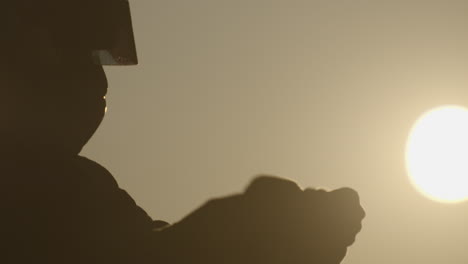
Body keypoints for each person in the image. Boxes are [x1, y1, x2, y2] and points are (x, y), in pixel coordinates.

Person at [0, 1, 365, 264]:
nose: (95, 77)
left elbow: (147, 245)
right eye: (71, 44)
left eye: (92, 55)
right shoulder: (31, 190)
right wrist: (245, 227)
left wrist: (281, 235)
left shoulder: (82, 185)